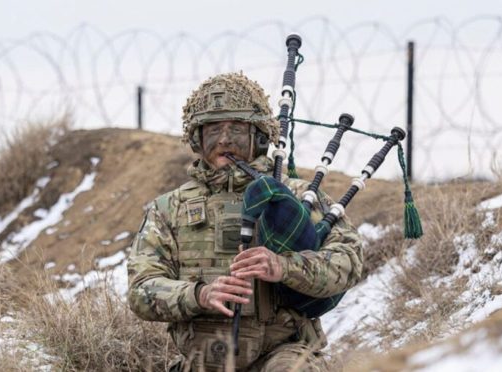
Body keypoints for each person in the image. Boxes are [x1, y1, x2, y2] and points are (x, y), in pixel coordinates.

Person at [127, 72, 363, 371]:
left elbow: (349, 262)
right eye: (213, 129)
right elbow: (141, 290)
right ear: (197, 138)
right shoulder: (169, 208)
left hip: (284, 353)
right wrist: (199, 294)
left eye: (236, 128)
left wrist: (284, 267)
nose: (225, 139)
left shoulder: (297, 197)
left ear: (259, 137)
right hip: (202, 360)